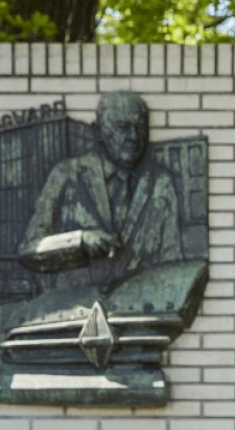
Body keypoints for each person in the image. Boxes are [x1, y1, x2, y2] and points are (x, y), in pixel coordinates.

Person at [20, 90, 182, 290]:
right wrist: (80, 242)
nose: (134, 137)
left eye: (140, 127)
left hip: (135, 311)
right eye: (123, 127)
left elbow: (172, 260)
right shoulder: (67, 174)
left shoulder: (160, 182)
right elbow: (29, 250)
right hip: (74, 309)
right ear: (98, 132)